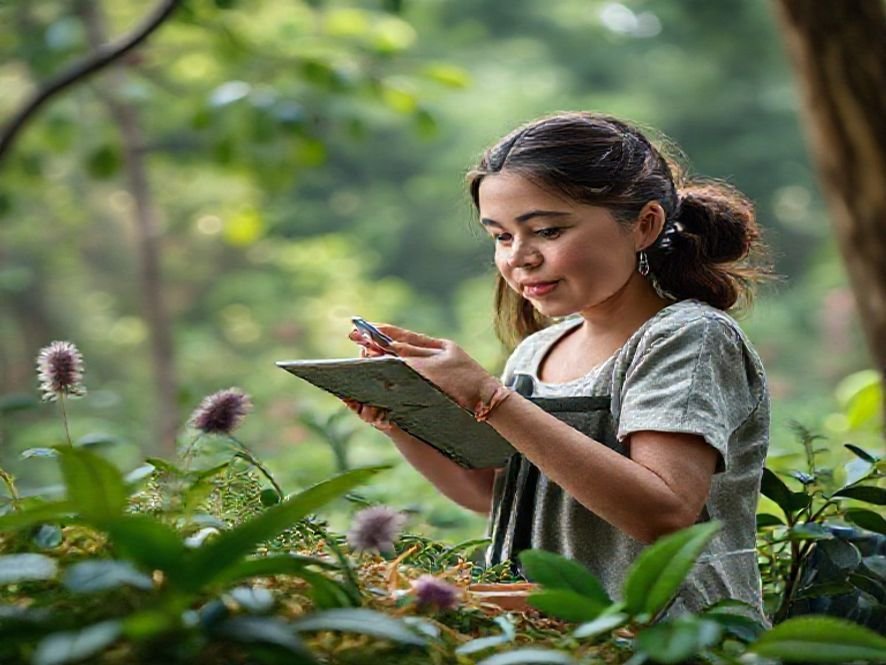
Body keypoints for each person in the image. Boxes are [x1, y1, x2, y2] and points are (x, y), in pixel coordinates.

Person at [344, 111, 771, 622]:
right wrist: (403, 418)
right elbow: (493, 494)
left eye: (546, 231)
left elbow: (666, 512)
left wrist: (489, 397)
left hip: (671, 640)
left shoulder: (688, 337)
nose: (519, 258)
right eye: (501, 237)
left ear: (645, 225)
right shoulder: (536, 352)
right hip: (549, 640)